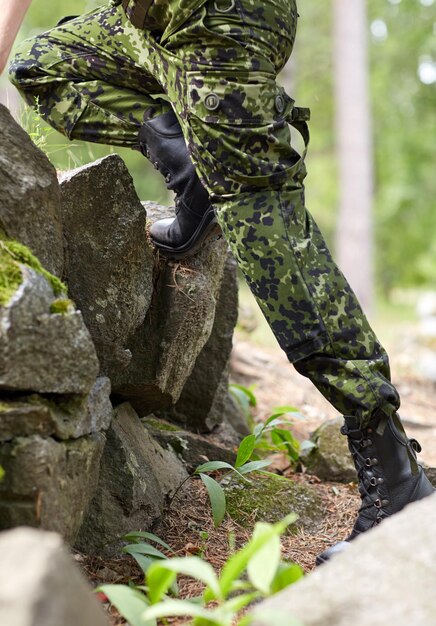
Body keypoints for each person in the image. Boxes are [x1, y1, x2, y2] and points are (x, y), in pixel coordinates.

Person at [1, 0, 433, 564]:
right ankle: (195, 173)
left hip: (220, 19)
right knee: (45, 63)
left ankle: (392, 467)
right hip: (147, 25)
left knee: (274, 245)